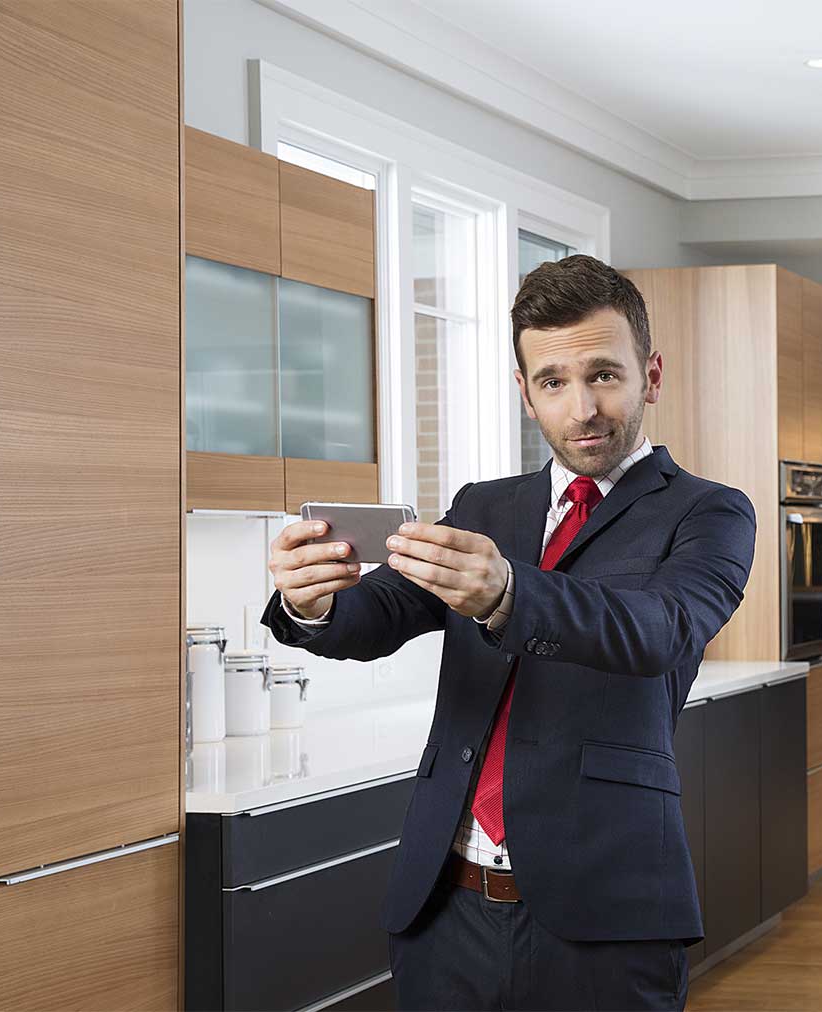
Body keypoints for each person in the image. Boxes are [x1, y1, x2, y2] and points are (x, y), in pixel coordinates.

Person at [262, 255, 756, 1011]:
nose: (582, 407)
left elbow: (658, 630)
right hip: (445, 905)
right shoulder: (482, 506)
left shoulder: (709, 512)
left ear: (651, 375)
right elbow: (381, 613)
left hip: (607, 915)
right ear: (526, 395)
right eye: (554, 382)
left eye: (605, 375)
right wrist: (313, 603)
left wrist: (509, 593)